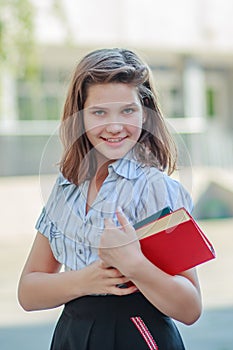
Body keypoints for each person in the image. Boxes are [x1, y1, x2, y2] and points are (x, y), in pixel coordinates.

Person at [18, 48, 202, 350]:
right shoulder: (66, 188)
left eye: (128, 110)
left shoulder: (155, 188)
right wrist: (88, 280)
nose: (115, 126)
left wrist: (135, 265)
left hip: (138, 334)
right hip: (71, 337)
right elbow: (28, 292)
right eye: (99, 112)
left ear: (145, 111)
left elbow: (190, 306)